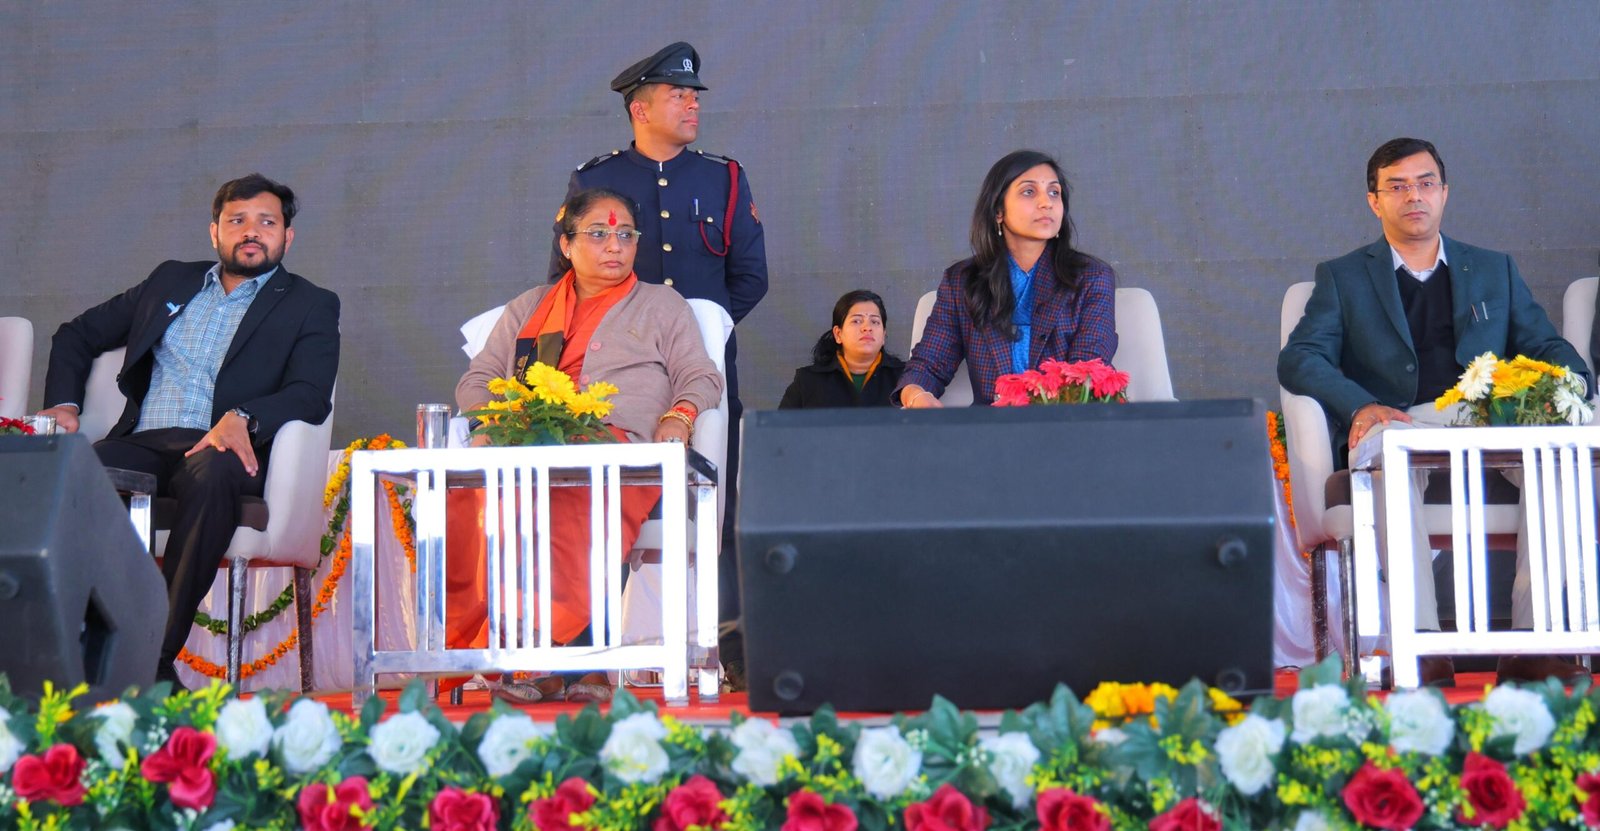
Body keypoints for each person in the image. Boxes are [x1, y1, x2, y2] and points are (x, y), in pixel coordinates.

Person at [1279, 137, 1591, 686]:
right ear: (1374, 201)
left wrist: (1569, 384)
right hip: (1402, 423)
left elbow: (1545, 344)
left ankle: (1532, 647)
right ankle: (1420, 647)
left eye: (1425, 183)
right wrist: (1361, 405)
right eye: (1397, 186)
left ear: (1444, 193)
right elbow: (1300, 357)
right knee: (1392, 466)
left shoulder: (1493, 269)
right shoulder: (1344, 277)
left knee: (1554, 462)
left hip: (1489, 421)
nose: (1414, 196)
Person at [37, 173, 340, 688]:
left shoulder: (310, 303)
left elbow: (310, 393)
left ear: (287, 237)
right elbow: (76, 335)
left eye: (266, 222)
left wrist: (243, 417)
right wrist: (64, 406)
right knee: (78, 474)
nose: (251, 231)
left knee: (213, 473)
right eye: (237, 220)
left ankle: (151, 658)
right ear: (214, 232)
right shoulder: (171, 281)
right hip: (142, 441)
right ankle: (72, 655)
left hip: (223, 449)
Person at [457, 187, 722, 702]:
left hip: (625, 454)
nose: (615, 246)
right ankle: (572, 662)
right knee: (507, 494)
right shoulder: (529, 307)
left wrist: (680, 416)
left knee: (577, 488)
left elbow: (700, 375)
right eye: (598, 234)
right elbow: (479, 378)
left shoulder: (662, 305)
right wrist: (490, 419)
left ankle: (557, 659)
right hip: (532, 451)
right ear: (566, 244)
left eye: (626, 235)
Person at [550, 41, 767, 665]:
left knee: (719, 505)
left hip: (704, 373)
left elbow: (750, 276)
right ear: (639, 108)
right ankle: (582, 652)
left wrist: (695, 336)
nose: (693, 105)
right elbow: (566, 282)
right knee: (591, 501)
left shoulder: (724, 178)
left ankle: (723, 650)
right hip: (612, 384)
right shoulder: (597, 180)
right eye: (679, 95)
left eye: (695, 95)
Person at [895, 150, 1117, 407]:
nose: (1046, 202)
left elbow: (1087, 369)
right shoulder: (962, 281)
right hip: (990, 427)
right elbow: (928, 364)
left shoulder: (1091, 277)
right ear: (998, 210)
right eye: (1029, 192)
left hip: (1066, 422)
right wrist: (916, 395)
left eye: (1054, 192)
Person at [779, 290, 904, 408]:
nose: (867, 327)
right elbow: (782, 423)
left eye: (875, 322)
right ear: (838, 334)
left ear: (883, 336)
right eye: (857, 321)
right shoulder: (808, 381)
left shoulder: (905, 379)